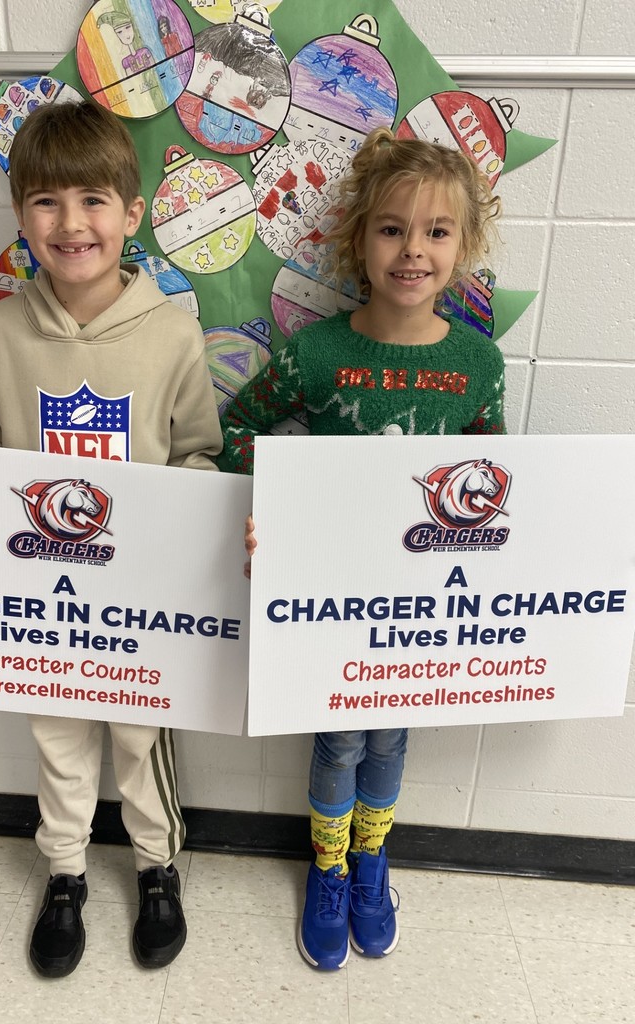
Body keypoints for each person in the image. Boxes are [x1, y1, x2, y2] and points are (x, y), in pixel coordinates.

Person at [217, 127, 504, 971]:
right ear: (359, 241)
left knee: (392, 734)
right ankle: (329, 865)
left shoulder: (478, 364)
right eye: (391, 229)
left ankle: (373, 855)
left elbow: (498, 478)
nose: (413, 250)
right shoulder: (317, 352)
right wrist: (272, 504)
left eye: (437, 231)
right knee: (340, 738)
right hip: (332, 593)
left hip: (422, 603)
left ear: (464, 245)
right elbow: (237, 428)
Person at [0, 100, 222, 977]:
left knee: (140, 734)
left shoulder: (173, 333)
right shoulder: (1, 332)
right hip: (44, 594)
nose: (70, 223)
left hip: (141, 593)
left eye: (91, 200)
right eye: (46, 201)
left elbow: (198, 453)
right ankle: (65, 872)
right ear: (20, 215)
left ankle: (156, 867)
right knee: (57, 732)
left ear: (131, 213)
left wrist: (183, 523)